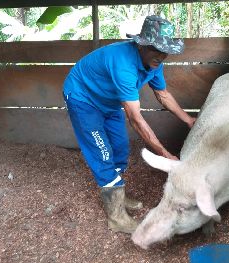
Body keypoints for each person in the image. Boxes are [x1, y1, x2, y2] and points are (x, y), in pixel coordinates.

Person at [63, 15, 196, 234]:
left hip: (108, 100)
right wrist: (163, 152)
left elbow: (162, 94)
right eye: (155, 48)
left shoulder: (154, 63)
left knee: (121, 149)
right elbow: (135, 118)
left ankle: (118, 195)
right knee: (103, 153)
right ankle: (116, 218)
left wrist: (188, 119)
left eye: (165, 50)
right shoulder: (124, 64)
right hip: (83, 98)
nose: (161, 55)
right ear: (141, 44)